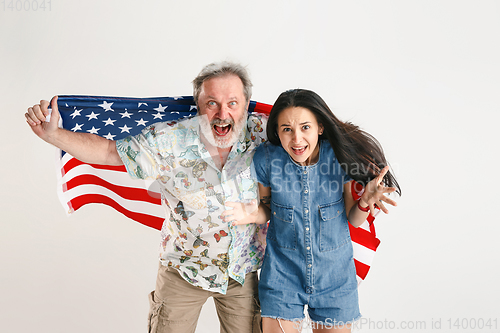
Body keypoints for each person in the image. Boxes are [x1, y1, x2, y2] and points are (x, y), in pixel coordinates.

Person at [25, 61, 268, 333]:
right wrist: (55, 135)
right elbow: (108, 152)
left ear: (247, 104)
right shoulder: (171, 138)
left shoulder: (266, 133)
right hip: (182, 270)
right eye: (212, 103)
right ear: (198, 105)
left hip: (241, 272)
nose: (223, 113)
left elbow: (308, 132)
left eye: (233, 103)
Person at [222, 89, 401, 333]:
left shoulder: (338, 158)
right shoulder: (266, 159)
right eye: (287, 129)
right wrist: (254, 214)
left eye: (305, 127)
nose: (296, 139)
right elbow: (266, 209)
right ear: (277, 132)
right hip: (281, 277)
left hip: (335, 280)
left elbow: (354, 220)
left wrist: (364, 202)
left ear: (320, 127)